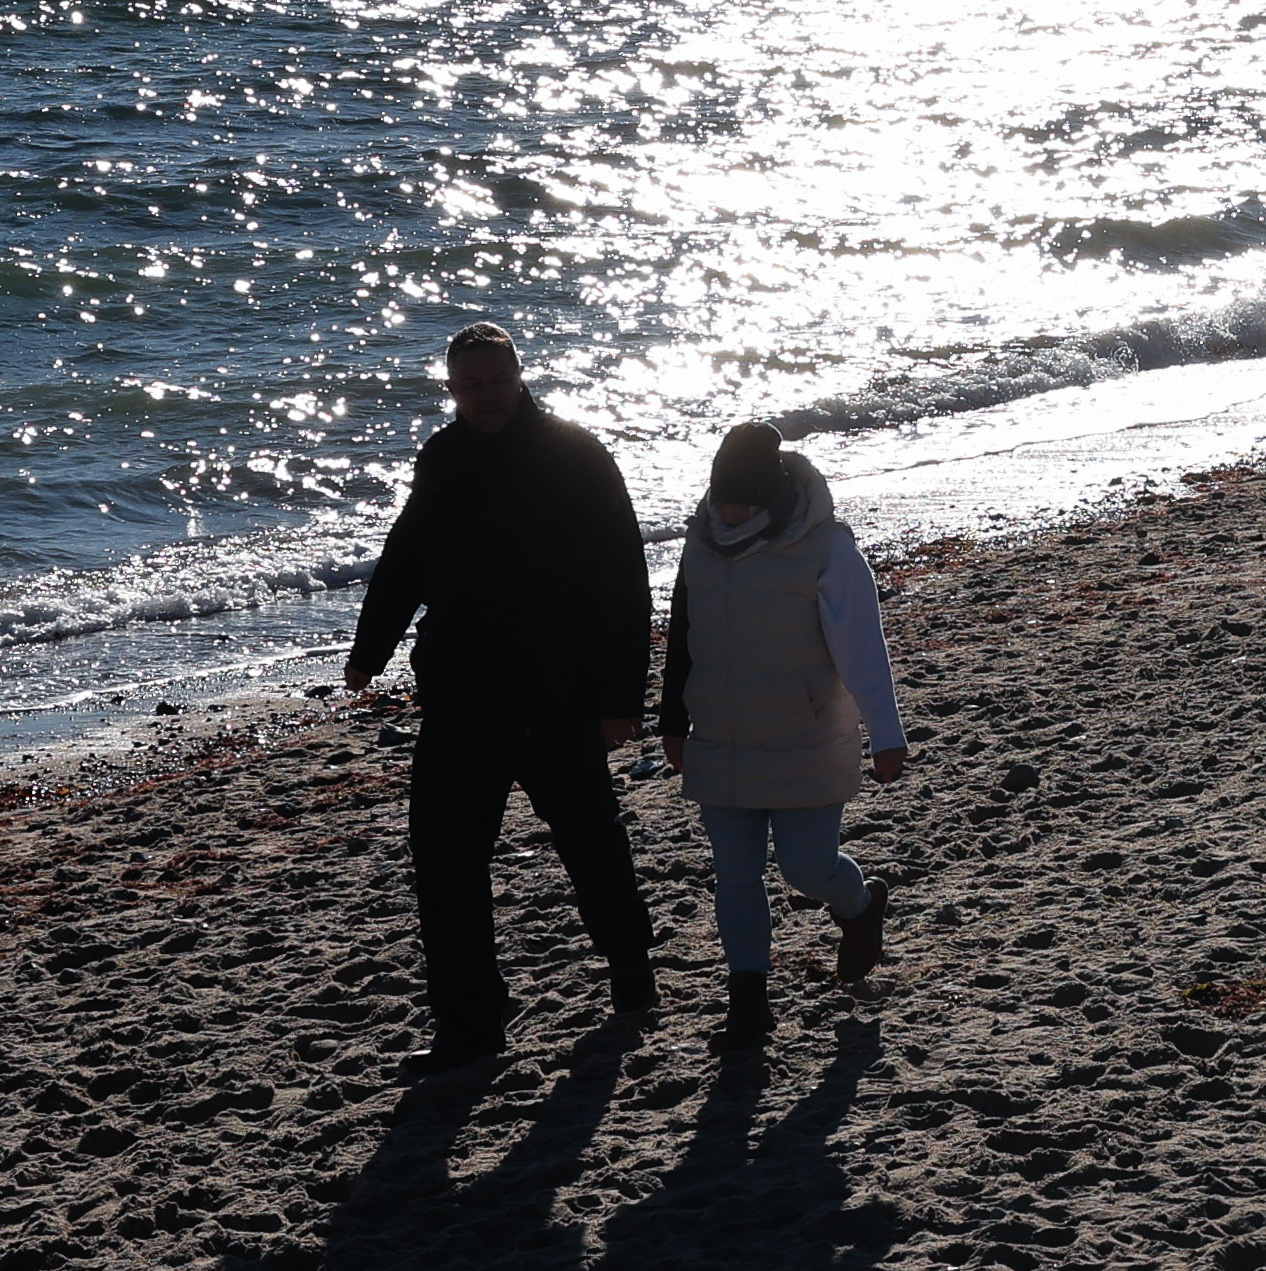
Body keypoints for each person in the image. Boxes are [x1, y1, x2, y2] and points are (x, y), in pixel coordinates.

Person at [339, 323, 661, 1061]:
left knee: (589, 839)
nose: (485, 396)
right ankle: (470, 1017)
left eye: (496, 381)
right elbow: (406, 557)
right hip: (460, 694)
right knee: (444, 854)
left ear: (520, 376)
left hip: (557, 693)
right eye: (470, 385)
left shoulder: (575, 455)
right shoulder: (443, 457)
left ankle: (630, 967)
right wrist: (370, 651)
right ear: (452, 389)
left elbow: (623, 578)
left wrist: (621, 699)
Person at [656, 420, 908, 1008]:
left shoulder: (824, 547)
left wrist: (886, 734)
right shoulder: (700, 543)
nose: (734, 512)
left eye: (745, 500)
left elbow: (861, 647)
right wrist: (673, 722)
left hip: (807, 734)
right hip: (719, 734)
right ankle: (748, 996)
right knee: (736, 875)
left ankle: (861, 906)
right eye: (725, 500)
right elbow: (683, 636)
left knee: (807, 868)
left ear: (770, 495)